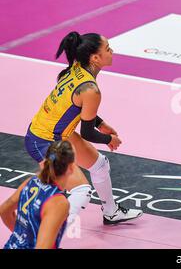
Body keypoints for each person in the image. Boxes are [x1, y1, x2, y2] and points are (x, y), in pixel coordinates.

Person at [24, 31, 142, 225]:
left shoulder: (78, 67)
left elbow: (79, 108)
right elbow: (87, 132)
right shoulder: (91, 90)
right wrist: (109, 139)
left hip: (59, 134)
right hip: (43, 140)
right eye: (108, 49)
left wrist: (101, 124)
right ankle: (46, 236)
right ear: (95, 58)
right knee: (81, 191)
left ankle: (111, 212)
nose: (112, 51)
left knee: (100, 165)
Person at [1, 141, 74, 249]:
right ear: (71, 168)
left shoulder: (31, 181)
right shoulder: (58, 202)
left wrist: (23, 238)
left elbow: (4, 210)